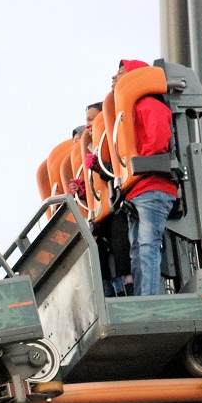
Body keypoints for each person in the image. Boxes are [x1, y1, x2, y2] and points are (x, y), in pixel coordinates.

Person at [112, 59, 176, 296]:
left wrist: (141, 161)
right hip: (136, 190)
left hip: (153, 187)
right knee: (137, 250)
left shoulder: (147, 104)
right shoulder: (124, 115)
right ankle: (142, 297)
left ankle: (148, 299)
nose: (114, 77)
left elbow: (158, 139)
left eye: (120, 73)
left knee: (147, 246)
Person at [81, 102, 133, 296]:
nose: (88, 125)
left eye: (91, 120)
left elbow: (118, 171)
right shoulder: (92, 148)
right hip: (102, 213)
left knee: (121, 242)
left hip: (119, 207)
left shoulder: (112, 141)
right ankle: (109, 291)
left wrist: (99, 167)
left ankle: (126, 286)